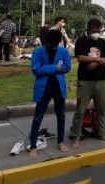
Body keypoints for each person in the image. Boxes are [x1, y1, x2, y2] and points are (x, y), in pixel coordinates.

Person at [69, 19, 105, 149]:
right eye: (94, 30)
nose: (96, 32)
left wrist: (96, 63)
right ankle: (76, 136)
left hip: (100, 81)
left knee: (101, 110)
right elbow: (81, 57)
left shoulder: (102, 42)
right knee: (80, 110)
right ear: (89, 29)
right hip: (85, 81)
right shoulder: (82, 41)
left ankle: (101, 133)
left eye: (98, 30)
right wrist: (99, 60)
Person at [28, 29, 72, 157]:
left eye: (56, 44)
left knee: (61, 116)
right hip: (43, 88)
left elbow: (67, 67)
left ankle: (61, 141)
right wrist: (55, 68)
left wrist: (47, 69)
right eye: (51, 44)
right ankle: (33, 146)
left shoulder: (63, 51)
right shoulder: (38, 52)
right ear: (46, 41)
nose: (53, 47)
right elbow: (35, 70)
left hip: (58, 87)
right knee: (37, 117)